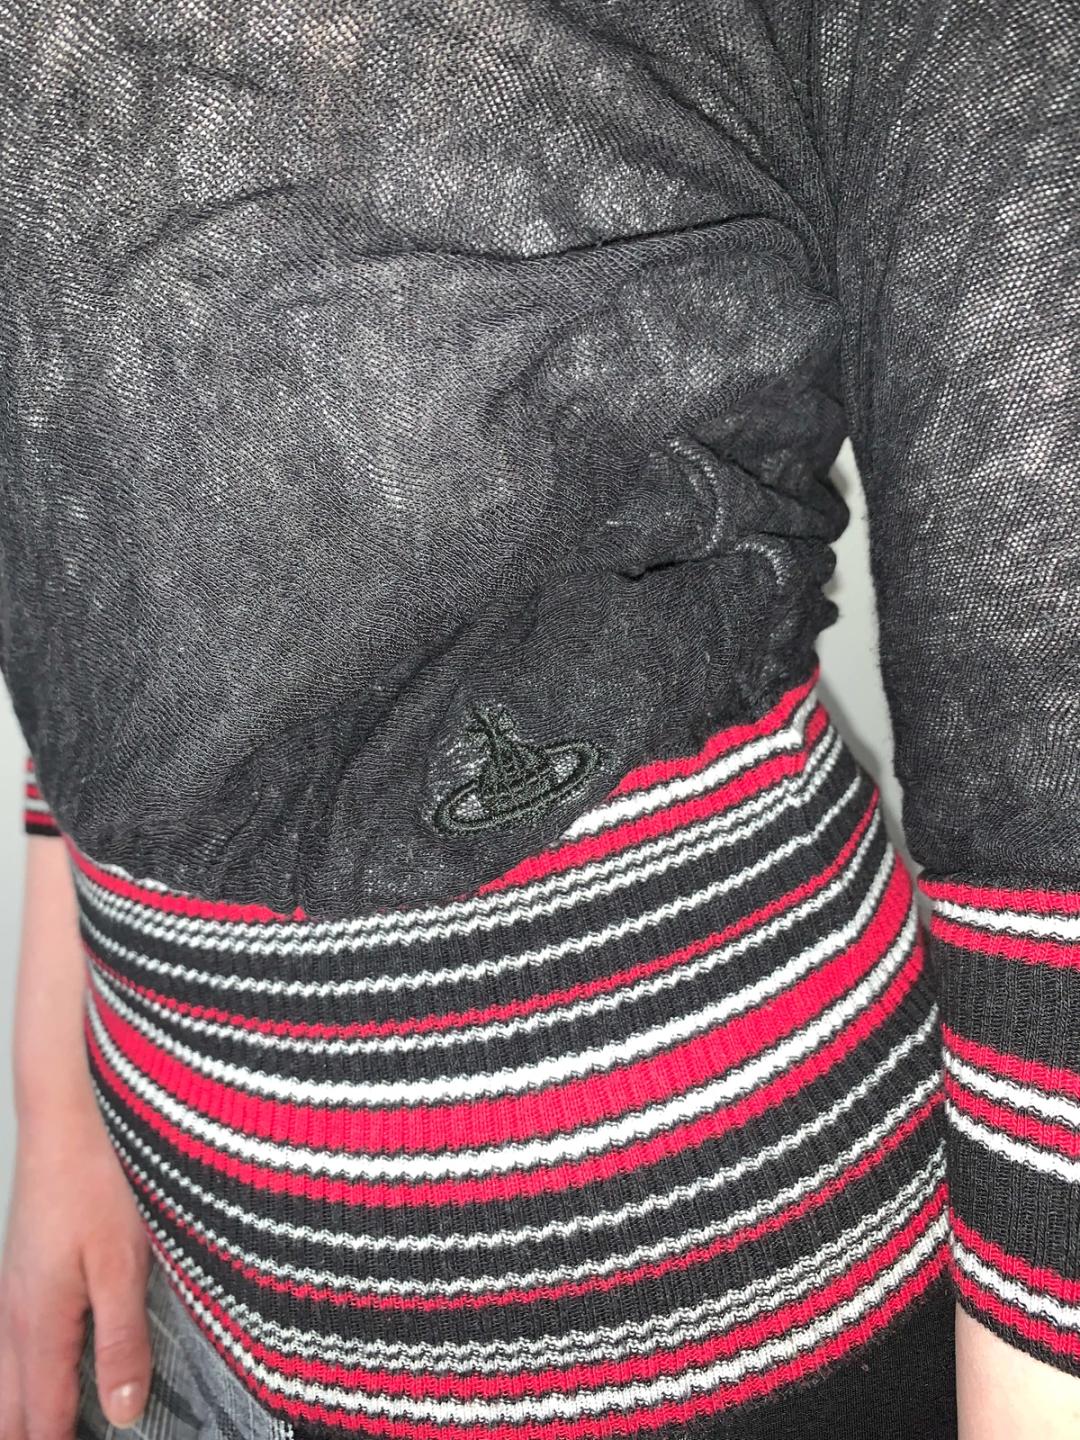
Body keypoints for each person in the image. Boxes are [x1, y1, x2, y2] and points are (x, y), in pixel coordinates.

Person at [0, 3, 1077, 1438]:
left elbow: (1050, 746)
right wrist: (52, 1084)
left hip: (707, 1332)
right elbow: (117, 502)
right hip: (192, 1283)